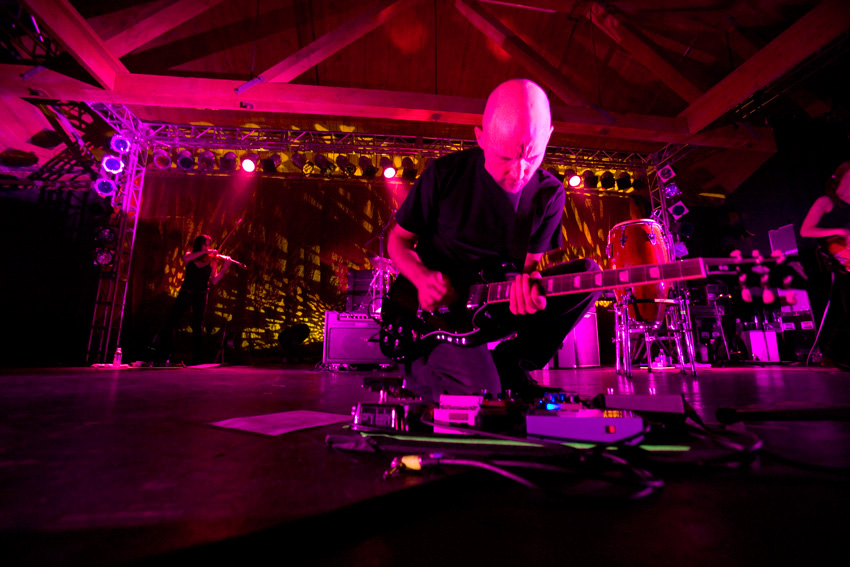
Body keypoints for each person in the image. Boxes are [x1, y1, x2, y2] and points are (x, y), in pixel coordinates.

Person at [387, 78, 601, 401]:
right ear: (482, 138)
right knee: (483, 396)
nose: (519, 172)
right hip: (439, 315)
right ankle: (419, 366)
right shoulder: (445, 175)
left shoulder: (550, 195)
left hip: (494, 301)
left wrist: (527, 287)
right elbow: (397, 242)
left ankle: (512, 361)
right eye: (505, 158)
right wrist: (421, 277)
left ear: (549, 137)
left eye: (532, 156)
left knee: (588, 275)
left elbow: (529, 268)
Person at [800, 161, 850, 369]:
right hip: (841, 262)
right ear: (841, 177)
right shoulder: (826, 201)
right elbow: (806, 230)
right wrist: (837, 231)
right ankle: (831, 355)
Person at [156, 234, 232, 364]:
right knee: (171, 321)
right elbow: (185, 258)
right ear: (199, 245)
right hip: (186, 292)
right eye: (205, 244)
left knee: (198, 326)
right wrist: (206, 252)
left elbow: (213, 281)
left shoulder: (212, 261)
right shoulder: (191, 255)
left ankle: (197, 359)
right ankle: (164, 354)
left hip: (201, 294)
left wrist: (224, 268)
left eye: (209, 244)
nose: (208, 247)